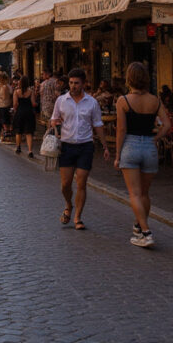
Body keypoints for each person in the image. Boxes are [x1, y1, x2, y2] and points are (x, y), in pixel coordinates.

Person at [115, 62, 171, 248]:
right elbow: (167, 125)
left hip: (130, 146)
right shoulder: (155, 100)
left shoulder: (123, 101)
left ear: (129, 78)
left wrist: (117, 154)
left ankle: (146, 233)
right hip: (149, 147)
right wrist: (156, 138)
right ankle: (139, 227)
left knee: (135, 194)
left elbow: (121, 130)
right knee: (145, 194)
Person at [51, 68, 110, 230]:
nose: (73, 86)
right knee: (65, 184)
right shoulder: (62, 101)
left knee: (81, 182)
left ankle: (78, 217)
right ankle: (68, 205)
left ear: (83, 84)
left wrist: (105, 146)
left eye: (76, 83)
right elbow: (54, 119)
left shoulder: (92, 102)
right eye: (71, 83)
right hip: (67, 146)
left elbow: (98, 124)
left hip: (85, 146)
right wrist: (56, 128)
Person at [12, 75, 37, 157]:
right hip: (29, 113)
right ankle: (30, 151)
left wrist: (15, 110)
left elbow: (15, 104)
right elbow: (33, 103)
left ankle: (18, 147)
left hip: (19, 112)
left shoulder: (16, 92)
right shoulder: (31, 91)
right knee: (29, 132)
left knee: (18, 131)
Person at [0, 73, 13, 142]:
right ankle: (6, 133)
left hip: (3, 105)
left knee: (4, 120)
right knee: (4, 120)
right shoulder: (5, 86)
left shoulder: (5, 87)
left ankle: (6, 134)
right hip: (4, 105)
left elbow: (4, 96)